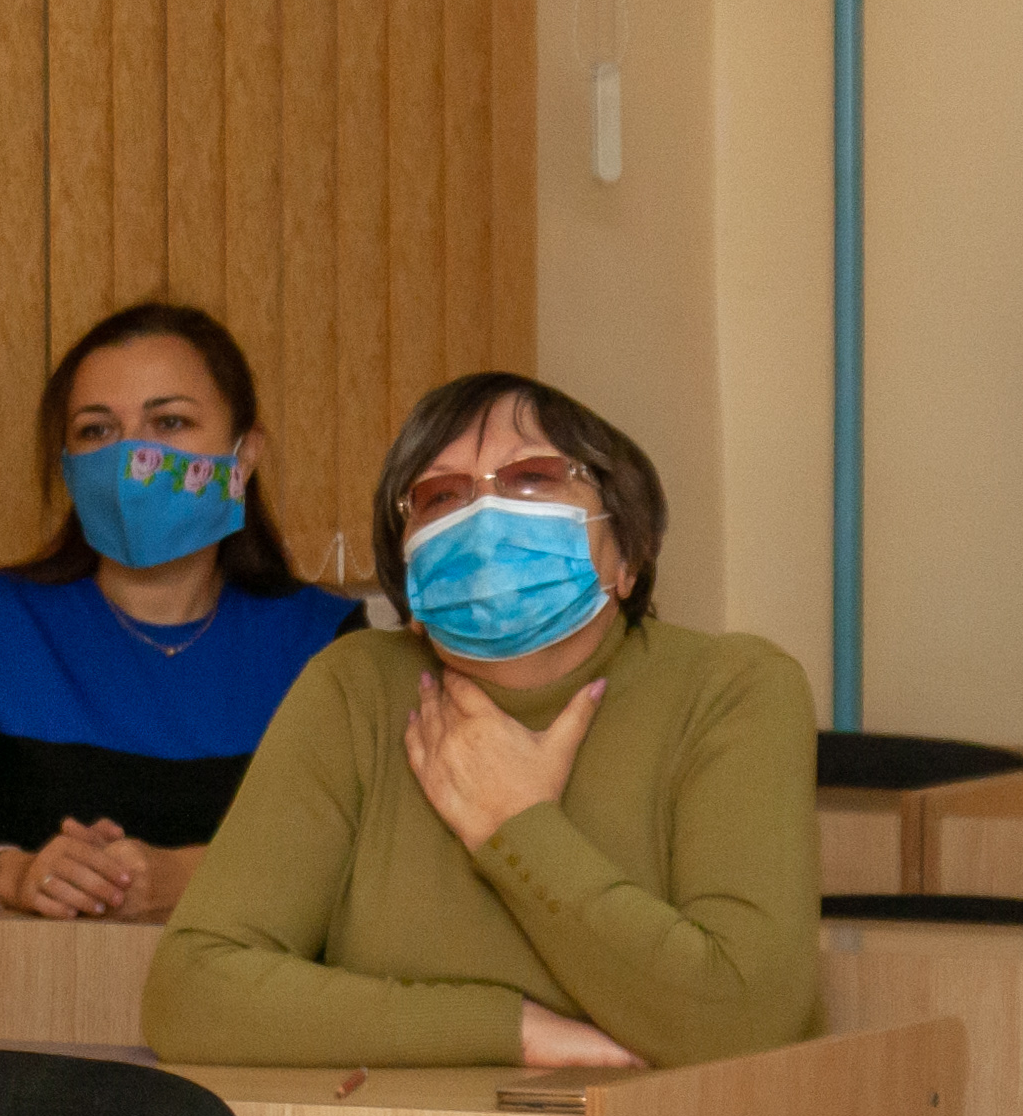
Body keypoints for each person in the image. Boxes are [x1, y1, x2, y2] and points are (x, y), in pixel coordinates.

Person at [142, 371, 819, 1070]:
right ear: (407, 576)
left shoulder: (731, 688)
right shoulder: (355, 688)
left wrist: (513, 825)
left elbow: (744, 1018)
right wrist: (513, 1030)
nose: (483, 516)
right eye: (441, 495)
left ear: (629, 549)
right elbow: (191, 992)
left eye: (531, 478)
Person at [0, 303, 364, 921]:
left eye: (170, 421)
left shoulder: (325, 640)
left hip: (255, 980)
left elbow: (367, 857)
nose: (132, 457)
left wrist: (184, 877)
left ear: (245, 453)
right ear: (69, 465)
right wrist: (11, 874)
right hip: (45, 979)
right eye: (97, 431)